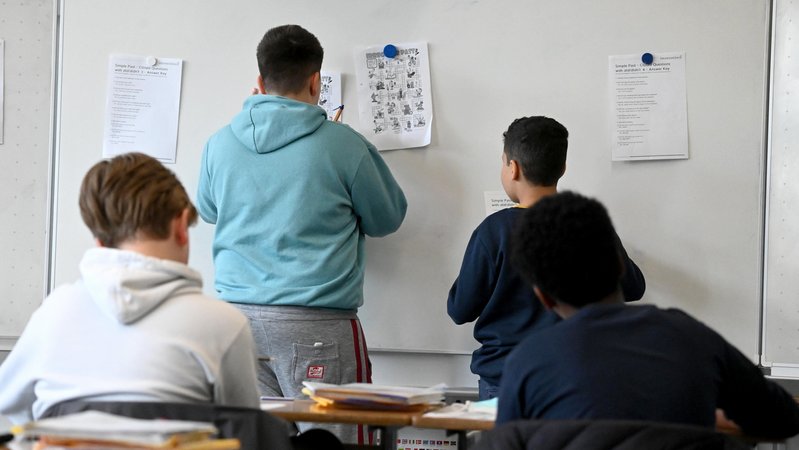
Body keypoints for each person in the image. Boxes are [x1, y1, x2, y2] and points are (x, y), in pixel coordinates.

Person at [196, 24, 407, 444]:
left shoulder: (219, 144)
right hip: (317, 324)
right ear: (316, 82)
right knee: (336, 443)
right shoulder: (343, 144)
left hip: (237, 323)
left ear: (259, 81)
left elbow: (208, 210)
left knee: (255, 443)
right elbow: (387, 218)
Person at [496, 191, 799, 439]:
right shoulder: (690, 337)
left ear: (543, 297)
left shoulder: (526, 363)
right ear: (621, 265)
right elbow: (785, 418)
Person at [0, 153, 260, 424]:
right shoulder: (224, 323)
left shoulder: (54, 312)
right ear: (181, 227)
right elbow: (246, 427)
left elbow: (10, 404)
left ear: (99, 240)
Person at [446, 116, 645, 400]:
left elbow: (460, 309)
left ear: (512, 168)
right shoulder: (586, 223)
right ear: (562, 168)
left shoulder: (494, 231)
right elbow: (633, 287)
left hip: (506, 378)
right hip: (575, 375)